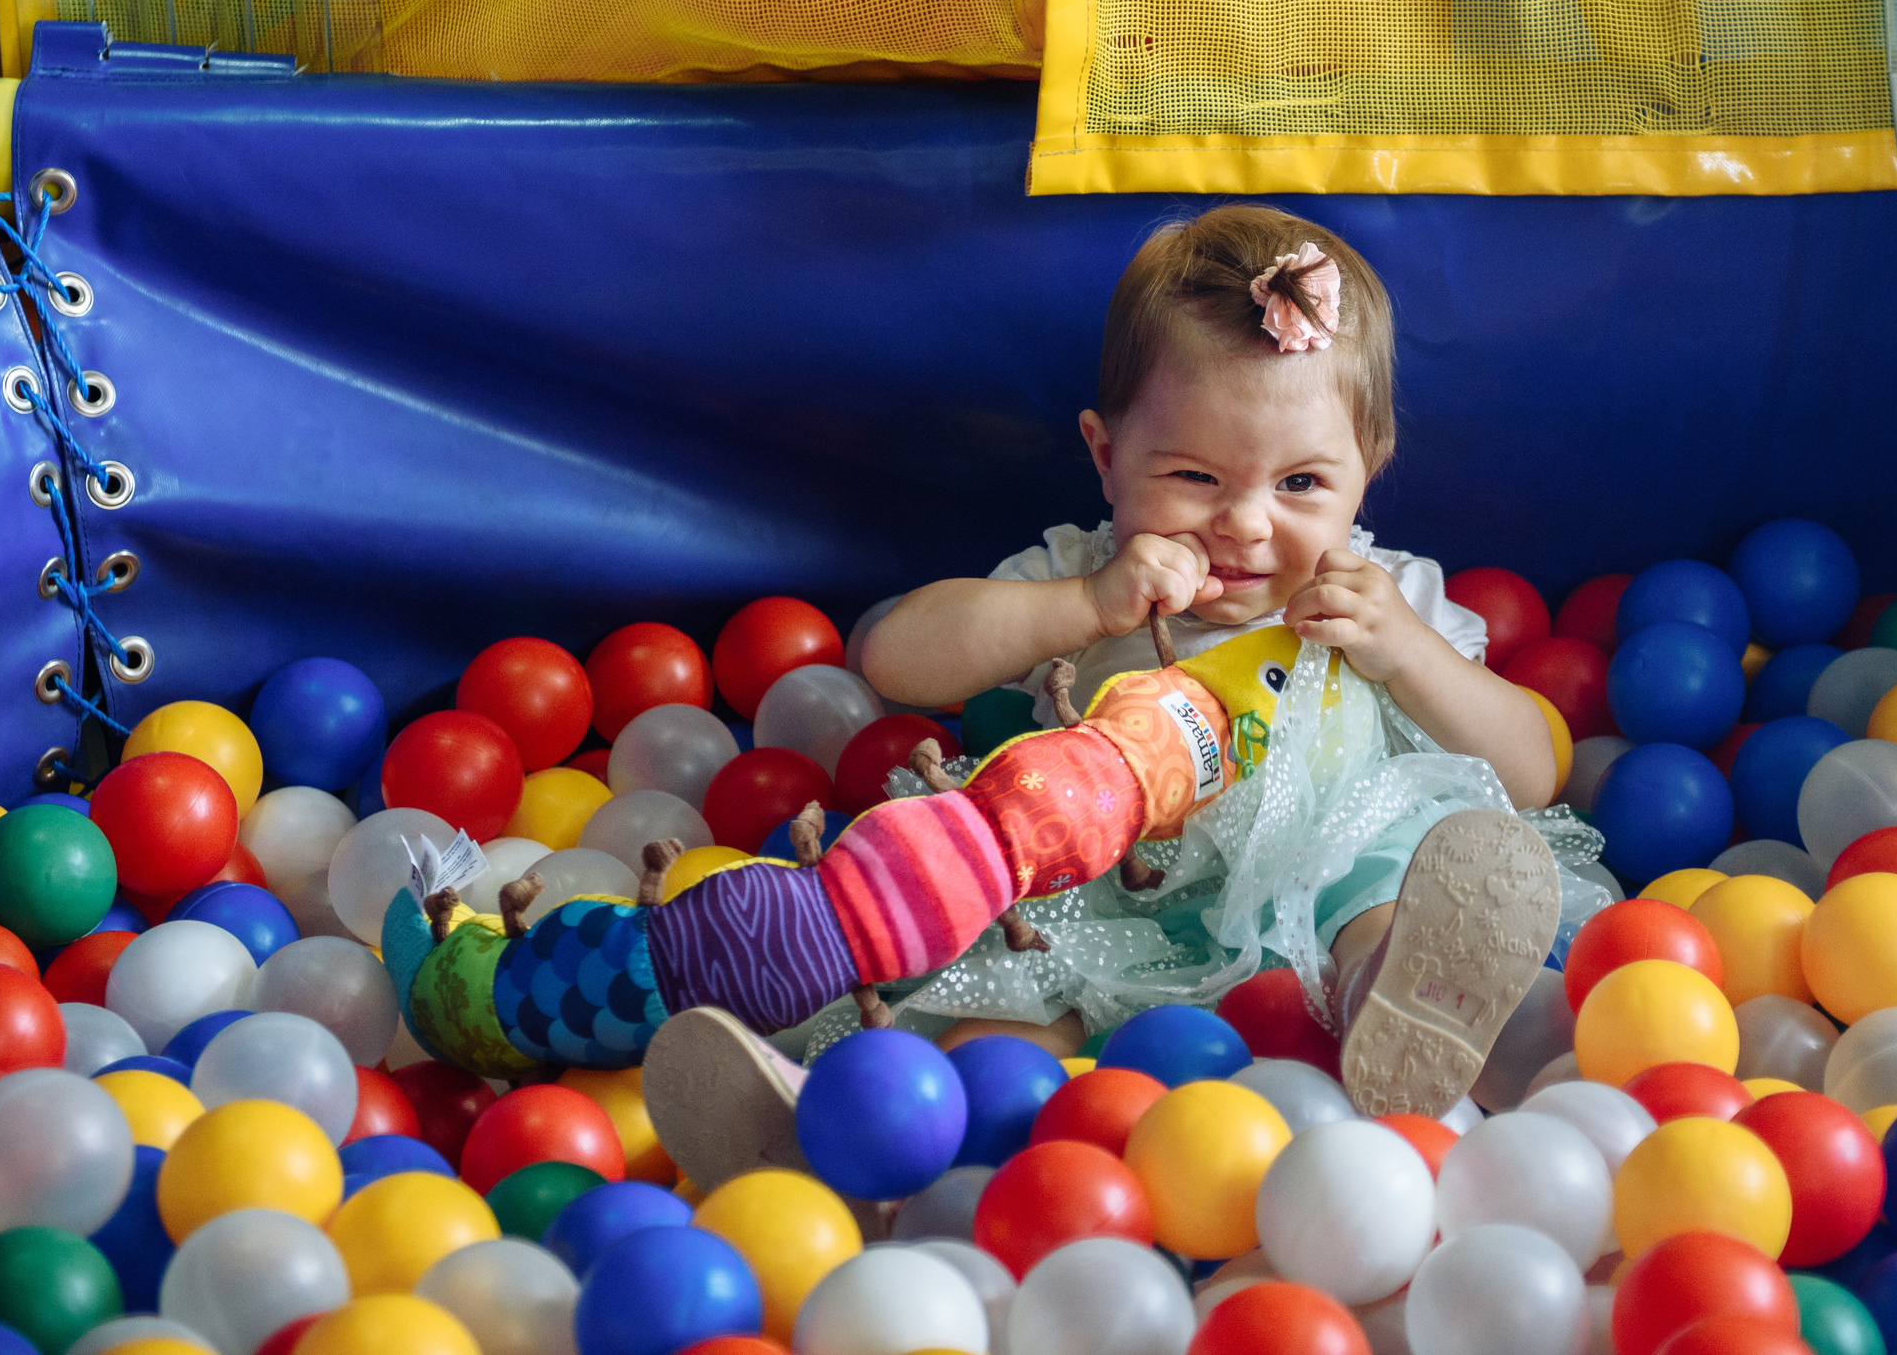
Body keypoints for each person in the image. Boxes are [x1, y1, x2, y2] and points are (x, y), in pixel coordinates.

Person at [638, 204, 1572, 1186]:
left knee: (1389, 867)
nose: (1246, 523)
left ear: (1369, 464)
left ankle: (1412, 1010)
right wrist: (1081, 604)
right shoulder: (1088, 573)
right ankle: (857, 1127)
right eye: (1194, 475)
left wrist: (1409, 652)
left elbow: (1531, 771)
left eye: (1300, 481)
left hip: (1317, 908)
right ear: (1105, 454)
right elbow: (894, 655)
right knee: (1004, 998)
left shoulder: (1387, 597)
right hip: (1106, 902)